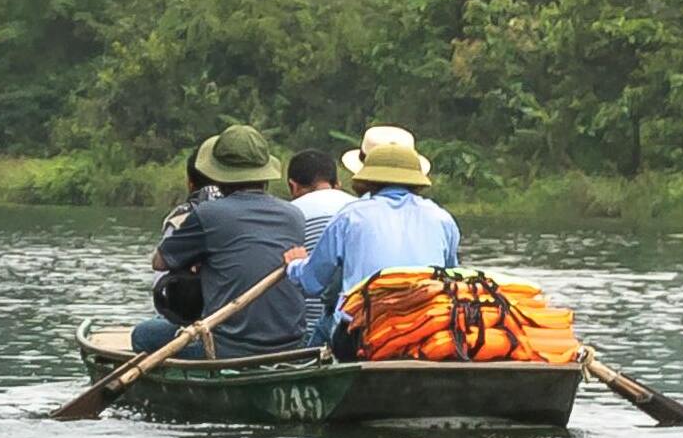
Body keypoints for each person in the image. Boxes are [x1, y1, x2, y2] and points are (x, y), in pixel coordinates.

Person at [136, 124, 333, 360]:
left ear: (220, 175)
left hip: (228, 347)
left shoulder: (208, 214)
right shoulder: (293, 214)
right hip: (291, 344)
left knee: (144, 334)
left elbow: (160, 262)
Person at [314, 124, 462, 338]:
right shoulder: (442, 218)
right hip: (427, 329)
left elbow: (313, 282)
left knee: (325, 323)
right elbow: (450, 275)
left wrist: (293, 266)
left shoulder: (350, 216)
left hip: (363, 332)